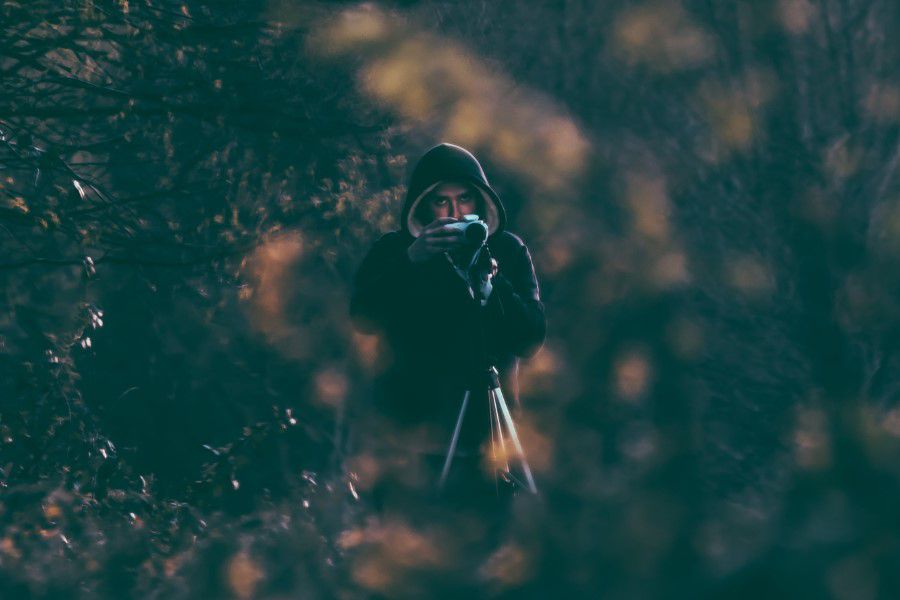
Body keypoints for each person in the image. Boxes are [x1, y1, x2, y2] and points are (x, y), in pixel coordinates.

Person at [349, 143, 545, 509]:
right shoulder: (396, 251)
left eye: (465, 199)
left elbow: (530, 339)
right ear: (423, 205)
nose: (455, 212)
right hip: (416, 435)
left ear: (482, 202)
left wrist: (492, 284)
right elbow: (363, 317)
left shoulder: (507, 250)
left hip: (493, 434)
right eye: (441, 201)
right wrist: (412, 260)